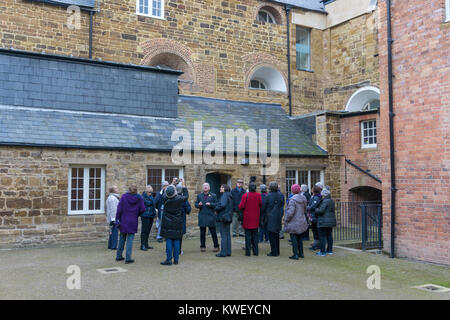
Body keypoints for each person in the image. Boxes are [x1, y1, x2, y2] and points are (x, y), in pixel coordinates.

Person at [160, 181, 189, 265]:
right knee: (176, 240)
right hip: (177, 222)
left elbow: (166, 192)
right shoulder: (179, 199)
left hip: (167, 222)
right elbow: (186, 196)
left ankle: (169, 259)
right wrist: (184, 186)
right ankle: (176, 259)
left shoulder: (165, 198)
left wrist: (172, 183)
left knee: (168, 240)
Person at [115, 185, 145, 264]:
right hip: (133, 220)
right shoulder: (139, 198)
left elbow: (119, 209)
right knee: (130, 240)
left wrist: (117, 219)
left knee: (122, 238)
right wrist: (136, 214)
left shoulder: (124, 197)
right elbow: (142, 209)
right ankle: (128, 258)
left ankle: (118, 255)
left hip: (124, 219)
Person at [284, 184, 309, 260]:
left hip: (294, 221)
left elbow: (290, 212)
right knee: (300, 238)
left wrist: (286, 219)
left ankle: (295, 254)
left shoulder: (292, 200)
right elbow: (305, 210)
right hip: (301, 220)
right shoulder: (303, 198)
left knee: (294, 238)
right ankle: (301, 253)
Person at [261, 182, 284, 257]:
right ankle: (277, 251)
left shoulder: (268, 196)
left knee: (272, 235)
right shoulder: (281, 195)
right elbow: (282, 205)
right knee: (276, 235)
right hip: (278, 216)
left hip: (270, 216)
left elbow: (263, 207)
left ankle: (274, 252)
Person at [238, 182, 262, 256]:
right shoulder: (258, 195)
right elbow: (260, 205)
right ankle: (255, 252)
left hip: (247, 218)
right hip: (255, 218)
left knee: (248, 236)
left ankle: (248, 252)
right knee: (255, 236)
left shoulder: (245, 195)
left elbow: (241, 206)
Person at [195, 183, 219, 252]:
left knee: (213, 233)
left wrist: (211, 204)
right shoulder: (199, 195)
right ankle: (202, 246)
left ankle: (216, 246)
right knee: (202, 233)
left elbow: (217, 204)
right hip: (202, 216)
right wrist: (198, 205)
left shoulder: (213, 195)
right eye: (204, 186)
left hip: (211, 216)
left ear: (209, 187)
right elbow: (196, 204)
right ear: (202, 188)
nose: (205, 187)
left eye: (207, 186)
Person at [315, 188, 337, 256]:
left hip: (323, 221)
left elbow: (321, 211)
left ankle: (322, 252)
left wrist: (316, 209)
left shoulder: (325, 201)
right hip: (330, 221)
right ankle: (329, 250)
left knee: (322, 236)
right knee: (329, 235)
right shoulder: (331, 201)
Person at [215, 184, 233, 257]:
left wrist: (216, 208)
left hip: (223, 217)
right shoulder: (230, 195)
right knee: (227, 235)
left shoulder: (225, 195)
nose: (220, 188)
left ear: (225, 188)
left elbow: (222, 205)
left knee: (224, 235)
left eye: (222, 187)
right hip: (228, 217)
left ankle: (223, 252)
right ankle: (228, 251)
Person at [176, 184, 191, 255]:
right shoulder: (183, 199)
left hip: (171, 220)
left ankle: (172, 249)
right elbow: (188, 209)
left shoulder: (170, 198)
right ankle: (178, 250)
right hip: (181, 219)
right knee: (179, 236)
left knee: (172, 236)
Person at [307, 185, 323, 251]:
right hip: (312, 216)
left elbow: (313, 206)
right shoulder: (313, 196)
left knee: (316, 231)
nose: (311, 189)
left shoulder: (316, 197)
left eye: (312, 188)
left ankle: (317, 245)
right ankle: (316, 243)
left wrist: (307, 208)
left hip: (315, 217)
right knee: (314, 230)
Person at [140, 185, 156, 251]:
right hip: (145, 215)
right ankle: (142, 245)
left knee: (148, 230)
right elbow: (148, 203)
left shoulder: (151, 196)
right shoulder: (142, 197)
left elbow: (153, 203)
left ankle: (146, 244)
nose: (150, 193)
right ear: (146, 191)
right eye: (149, 192)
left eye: (151, 192)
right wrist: (152, 202)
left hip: (151, 215)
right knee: (144, 231)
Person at [106, 185, 120, 250]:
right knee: (114, 232)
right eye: (116, 188)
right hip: (113, 218)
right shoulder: (112, 198)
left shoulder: (113, 197)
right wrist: (113, 219)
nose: (118, 189)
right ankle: (114, 246)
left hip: (112, 217)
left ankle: (110, 245)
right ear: (113, 190)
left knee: (112, 231)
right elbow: (113, 209)